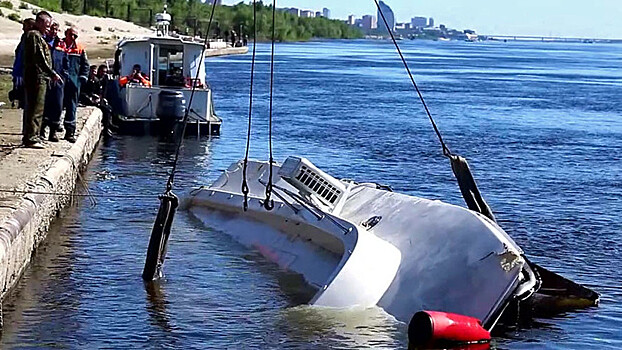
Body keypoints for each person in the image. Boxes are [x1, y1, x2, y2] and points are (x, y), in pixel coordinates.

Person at [22, 11, 62, 148]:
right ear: (39, 22)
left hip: (41, 77)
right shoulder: (34, 35)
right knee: (35, 108)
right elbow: (39, 57)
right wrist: (52, 73)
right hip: (36, 77)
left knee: (38, 107)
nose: (48, 28)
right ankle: (31, 137)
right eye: (46, 25)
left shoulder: (39, 36)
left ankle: (34, 135)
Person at [57, 26, 89, 143]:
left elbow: (85, 65)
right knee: (57, 104)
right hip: (60, 81)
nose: (73, 37)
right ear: (66, 34)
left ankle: (70, 132)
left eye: (75, 35)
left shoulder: (80, 49)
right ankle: (54, 129)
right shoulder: (59, 45)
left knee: (72, 107)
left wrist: (82, 78)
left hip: (74, 82)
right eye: (71, 35)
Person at [41, 19, 67, 142]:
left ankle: (53, 132)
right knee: (44, 105)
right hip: (45, 79)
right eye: (52, 29)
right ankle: (41, 131)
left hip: (58, 80)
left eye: (56, 29)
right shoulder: (42, 41)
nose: (54, 31)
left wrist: (64, 76)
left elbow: (65, 62)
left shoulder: (61, 44)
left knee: (57, 106)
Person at [10, 18, 36, 109]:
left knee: (24, 96)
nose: (23, 28)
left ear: (31, 26)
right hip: (18, 71)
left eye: (25, 26)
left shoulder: (32, 38)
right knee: (18, 94)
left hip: (24, 72)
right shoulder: (24, 37)